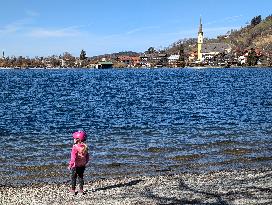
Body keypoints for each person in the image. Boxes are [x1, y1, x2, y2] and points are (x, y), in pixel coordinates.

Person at [68, 130, 89, 195]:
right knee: (81, 177)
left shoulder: (75, 147)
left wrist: (70, 165)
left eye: (74, 138)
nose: (73, 139)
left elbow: (73, 158)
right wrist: (85, 162)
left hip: (75, 165)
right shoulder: (85, 147)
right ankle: (81, 190)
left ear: (77, 140)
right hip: (82, 165)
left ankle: (73, 190)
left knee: (73, 177)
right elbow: (87, 157)